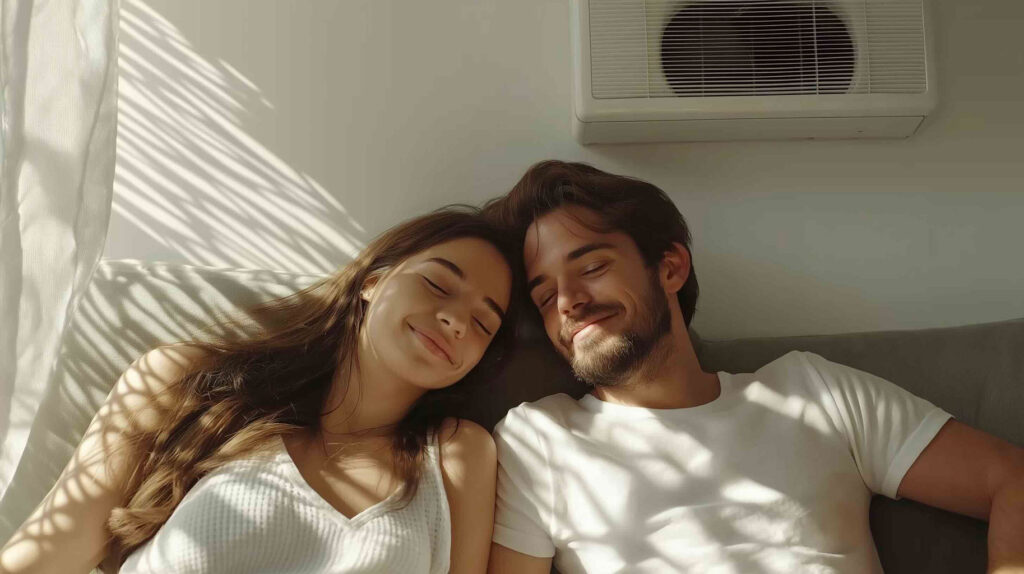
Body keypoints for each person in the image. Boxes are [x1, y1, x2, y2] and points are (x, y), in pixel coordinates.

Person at [482, 161, 1024, 573]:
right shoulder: (540, 438)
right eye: (544, 296)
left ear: (670, 268)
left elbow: (1010, 479)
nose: (568, 302)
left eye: (592, 266)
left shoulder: (813, 392)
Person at [0, 207, 519, 574]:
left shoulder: (457, 455)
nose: (456, 321)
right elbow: (41, 560)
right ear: (372, 282)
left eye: (483, 323)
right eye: (437, 284)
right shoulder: (181, 381)